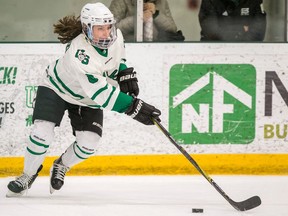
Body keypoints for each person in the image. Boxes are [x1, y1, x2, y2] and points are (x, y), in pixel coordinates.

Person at [6, 2, 161, 197]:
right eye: (99, 29)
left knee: (89, 144)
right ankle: (27, 175)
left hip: (86, 98)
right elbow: (102, 93)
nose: (106, 33)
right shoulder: (79, 53)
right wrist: (133, 107)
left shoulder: (117, 36)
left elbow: (117, 57)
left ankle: (61, 165)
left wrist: (123, 72)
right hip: (56, 88)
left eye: (108, 27)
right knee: (41, 134)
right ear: (87, 29)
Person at [109, 0, 184, 42]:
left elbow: (172, 28)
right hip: (129, 47)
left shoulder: (161, 1)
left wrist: (156, 14)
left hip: (158, 47)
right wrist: (136, 20)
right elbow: (110, 29)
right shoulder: (121, 1)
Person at [199, 0, 266, 41]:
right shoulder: (210, 0)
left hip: (247, 52)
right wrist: (241, 29)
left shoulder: (254, 1)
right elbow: (211, 32)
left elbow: (259, 33)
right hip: (213, 53)